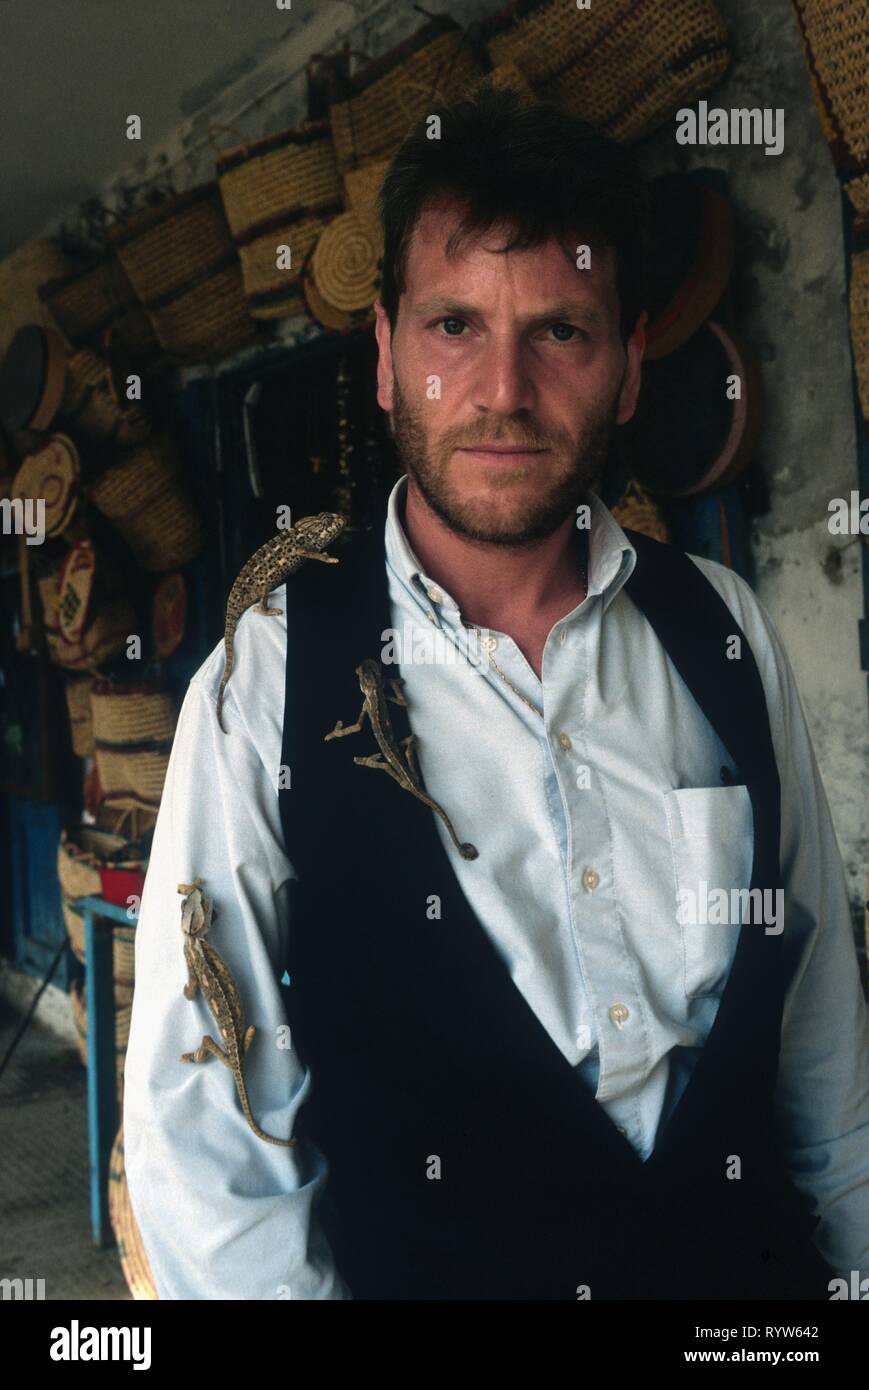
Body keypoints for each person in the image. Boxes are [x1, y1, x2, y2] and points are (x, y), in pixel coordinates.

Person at [124, 86, 869, 1300]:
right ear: (383, 356)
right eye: (454, 326)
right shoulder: (263, 683)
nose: (503, 391)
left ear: (628, 366)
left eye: (561, 332)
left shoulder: (721, 629)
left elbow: (818, 1032)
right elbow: (202, 1140)